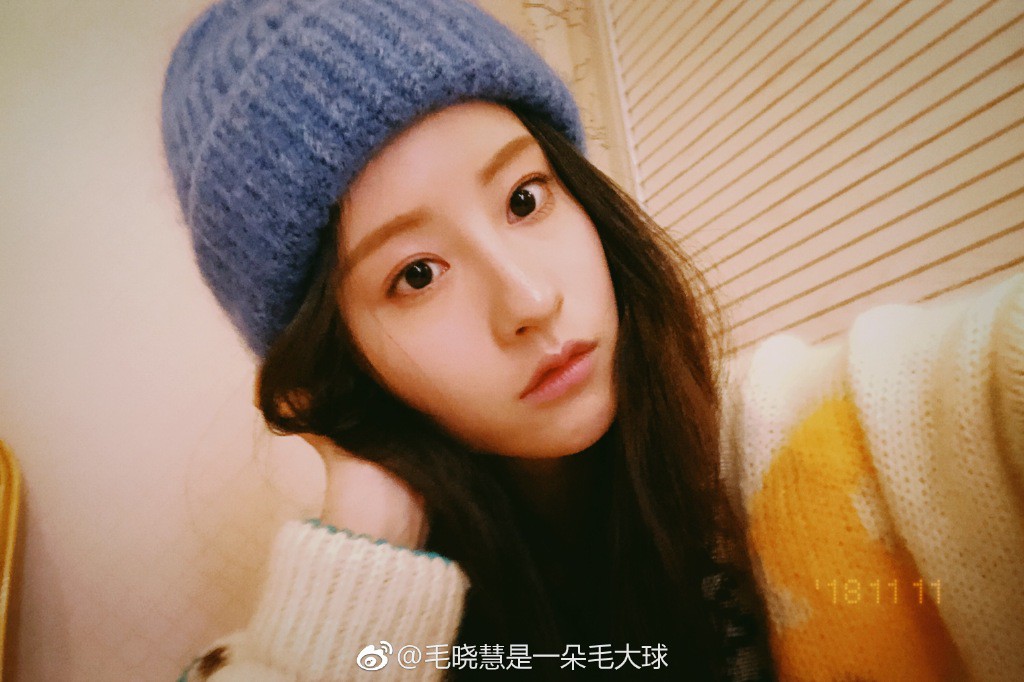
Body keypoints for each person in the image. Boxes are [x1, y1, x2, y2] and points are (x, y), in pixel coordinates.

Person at [161, 0, 1024, 680]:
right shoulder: (347, 635)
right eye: (416, 274)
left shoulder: (816, 438)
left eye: (524, 198)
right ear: (334, 367)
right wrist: (367, 547)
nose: (531, 300)